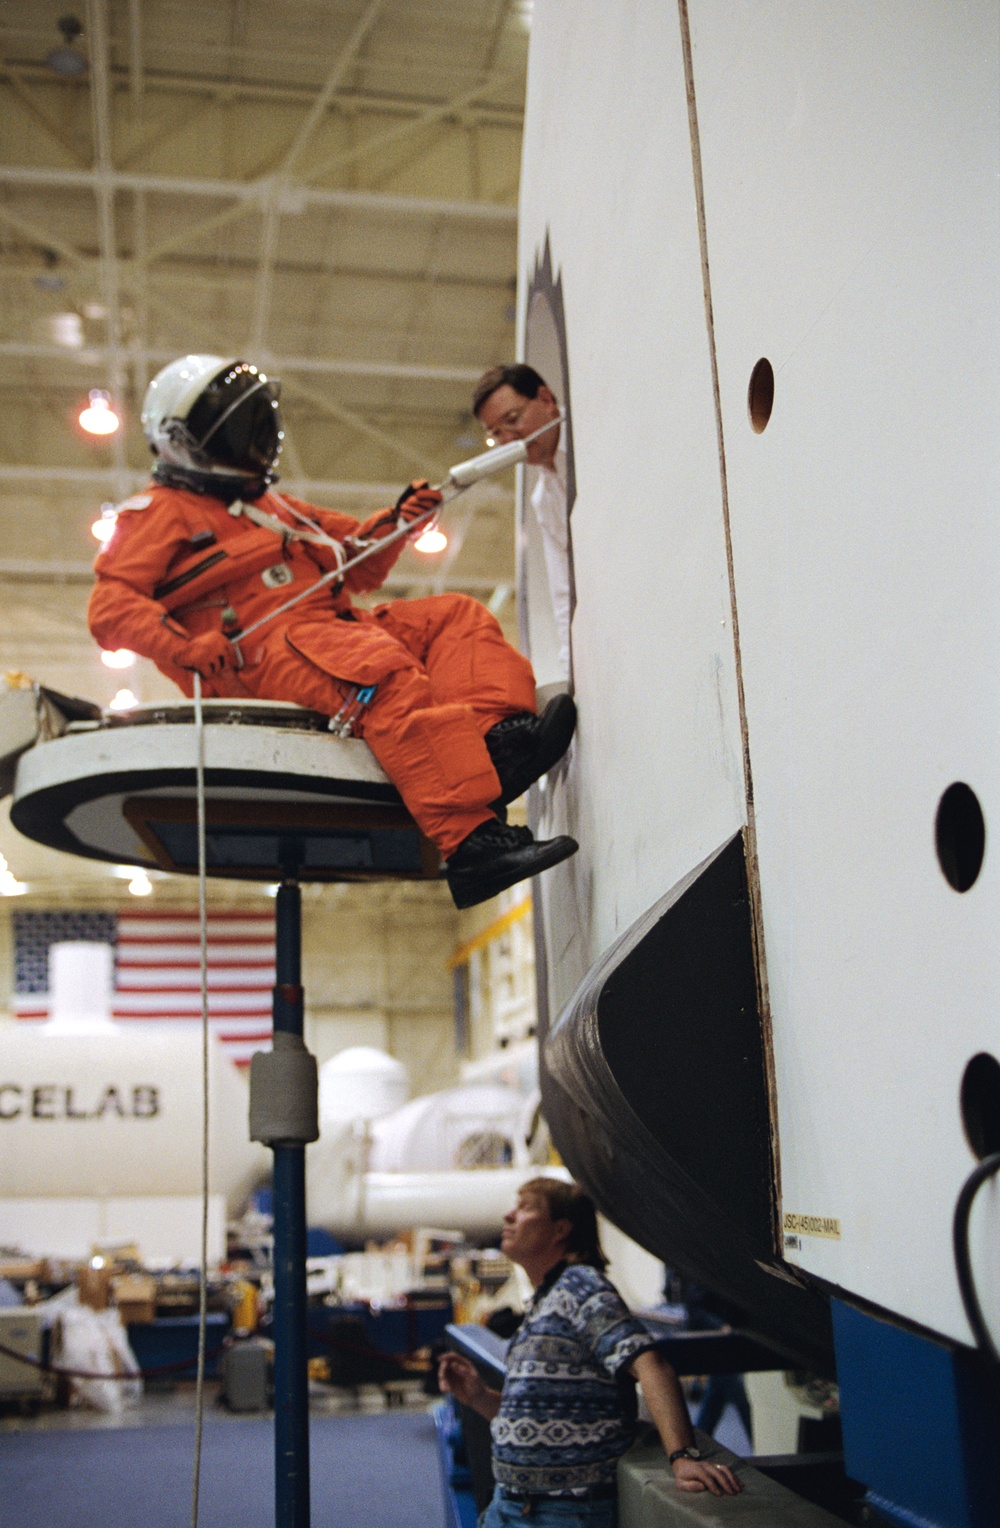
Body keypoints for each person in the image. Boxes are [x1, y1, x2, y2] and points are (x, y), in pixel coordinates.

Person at [87, 354, 579, 909]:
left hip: (328, 627)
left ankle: (498, 744)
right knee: (384, 675)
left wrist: (400, 522)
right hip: (257, 653)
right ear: (187, 442)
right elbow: (111, 609)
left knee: (453, 618)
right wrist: (185, 647)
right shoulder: (156, 512)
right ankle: (472, 847)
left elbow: (358, 560)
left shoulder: (269, 506)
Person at [439, 1178, 742, 1525]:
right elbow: (542, 1423)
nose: (509, 1216)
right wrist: (479, 1397)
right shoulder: (543, 1303)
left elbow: (652, 1366)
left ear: (559, 1230)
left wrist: (682, 1456)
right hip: (509, 1506)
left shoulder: (581, 1285)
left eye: (525, 1207)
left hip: (559, 1513)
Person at [473, 365, 572, 680]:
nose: (509, 440)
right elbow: (564, 592)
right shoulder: (544, 498)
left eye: (513, 421)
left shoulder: (597, 437)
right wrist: (572, 674)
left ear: (546, 398)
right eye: (497, 434)